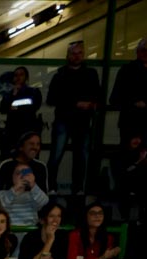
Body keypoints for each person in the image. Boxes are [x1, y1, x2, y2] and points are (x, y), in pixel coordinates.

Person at [48, 42, 102, 195]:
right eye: (74, 53)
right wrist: (76, 103)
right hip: (64, 120)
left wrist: (91, 104)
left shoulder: (91, 74)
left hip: (82, 121)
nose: (77, 56)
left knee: (81, 156)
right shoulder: (60, 75)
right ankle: (51, 186)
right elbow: (52, 98)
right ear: (68, 55)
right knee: (56, 155)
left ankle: (77, 188)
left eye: (79, 53)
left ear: (83, 55)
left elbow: (98, 96)